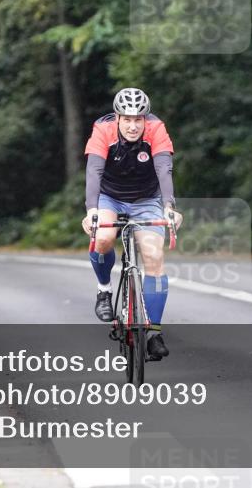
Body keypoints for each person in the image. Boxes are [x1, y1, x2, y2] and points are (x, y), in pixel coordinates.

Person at [81, 88, 183, 361]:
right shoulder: (103, 130)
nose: (133, 126)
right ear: (117, 118)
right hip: (110, 197)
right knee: (103, 238)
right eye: (126, 119)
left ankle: (153, 333)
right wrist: (92, 210)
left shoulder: (156, 129)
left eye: (138, 119)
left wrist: (169, 207)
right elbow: (94, 171)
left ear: (145, 119)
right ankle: (104, 290)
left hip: (146, 198)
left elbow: (164, 169)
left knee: (154, 257)